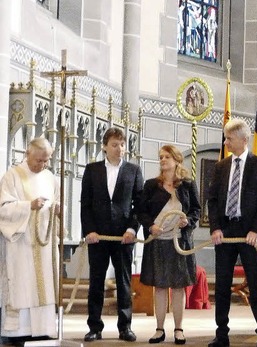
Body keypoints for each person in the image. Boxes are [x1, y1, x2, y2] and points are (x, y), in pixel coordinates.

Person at [207, 118, 257, 347]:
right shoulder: (221, 167)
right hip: (225, 232)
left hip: (249, 234)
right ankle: (221, 334)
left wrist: (256, 229)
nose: (225, 142)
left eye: (229, 139)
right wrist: (215, 227)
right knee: (223, 286)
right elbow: (212, 199)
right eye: (225, 138)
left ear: (244, 140)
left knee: (255, 284)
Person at [81, 127, 144, 343]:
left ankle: (125, 327)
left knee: (124, 282)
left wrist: (132, 229)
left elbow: (139, 205)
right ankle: (94, 327)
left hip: (123, 237)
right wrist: (88, 230)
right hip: (98, 236)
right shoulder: (92, 170)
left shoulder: (134, 170)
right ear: (105, 147)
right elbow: (86, 205)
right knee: (96, 282)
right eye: (115, 145)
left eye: (122, 145)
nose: (120, 149)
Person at [138, 145, 201, 345]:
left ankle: (179, 329)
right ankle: (159, 329)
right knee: (160, 286)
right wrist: (151, 226)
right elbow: (141, 211)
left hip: (179, 242)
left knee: (179, 286)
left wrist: (187, 222)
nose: (163, 160)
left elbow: (196, 211)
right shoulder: (151, 185)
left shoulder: (188, 185)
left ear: (176, 160)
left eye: (167, 157)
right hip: (158, 242)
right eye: (160, 157)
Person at [0, 138, 59, 343]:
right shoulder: (12, 176)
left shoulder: (50, 177)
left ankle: (43, 328)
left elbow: (56, 202)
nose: (42, 165)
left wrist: (58, 211)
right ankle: (19, 331)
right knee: (23, 284)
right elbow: (3, 208)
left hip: (44, 243)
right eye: (39, 160)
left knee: (43, 286)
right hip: (21, 243)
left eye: (46, 161)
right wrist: (29, 206)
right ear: (28, 154)